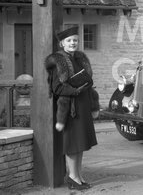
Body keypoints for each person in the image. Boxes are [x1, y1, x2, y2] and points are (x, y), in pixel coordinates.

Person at [44, 26, 100, 190]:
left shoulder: (81, 58)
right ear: (62, 43)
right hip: (70, 109)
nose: (73, 43)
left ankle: (78, 175)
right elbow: (57, 88)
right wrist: (75, 90)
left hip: (83, 105)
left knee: (81, 144)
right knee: (72, 144)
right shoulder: (58, 61)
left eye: (75, 40)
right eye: (69, 40)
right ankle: (72, 177)